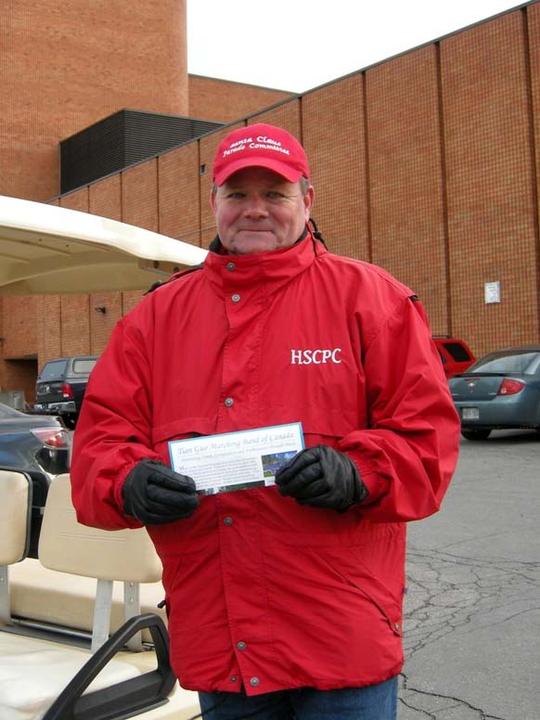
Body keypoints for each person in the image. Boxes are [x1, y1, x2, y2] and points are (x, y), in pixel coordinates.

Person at [70, 122, 460, 719]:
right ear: (214, 202)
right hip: (222, 640)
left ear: (308, 200)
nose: (255, 209)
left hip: (340, 636)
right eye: (238, 193)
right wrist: (128, 481)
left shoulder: (374, 301)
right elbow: (100, 446)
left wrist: (358, 473)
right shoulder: (152, 321)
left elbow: (427, 441)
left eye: (274, 193)